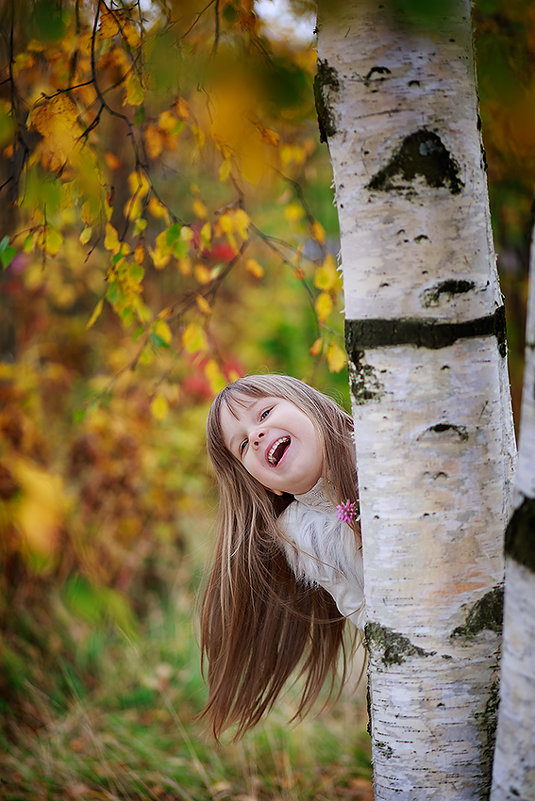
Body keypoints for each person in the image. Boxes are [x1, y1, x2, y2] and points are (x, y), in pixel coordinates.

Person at [200, 374, 365, 739]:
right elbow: (363, 611)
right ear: (267, 485)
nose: (256, 435)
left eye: (265, 413)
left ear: (308, 406)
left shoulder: (378, 452)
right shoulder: (300, 539)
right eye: (242, 445)